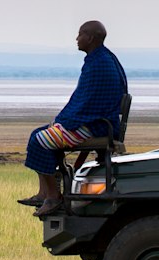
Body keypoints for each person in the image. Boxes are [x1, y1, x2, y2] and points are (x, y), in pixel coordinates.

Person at [21, 20, 126, 213]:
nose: (77, 38)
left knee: (39, 140)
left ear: (91, 38)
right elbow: (85, 100)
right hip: (98, 121)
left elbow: (87, 103)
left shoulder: (98, 64)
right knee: (39, 132)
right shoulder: (103, 58)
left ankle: (53, 197)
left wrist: (64, 121)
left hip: (96, 125)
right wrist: (62, 121)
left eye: (80, 34)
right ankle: (44, 192)